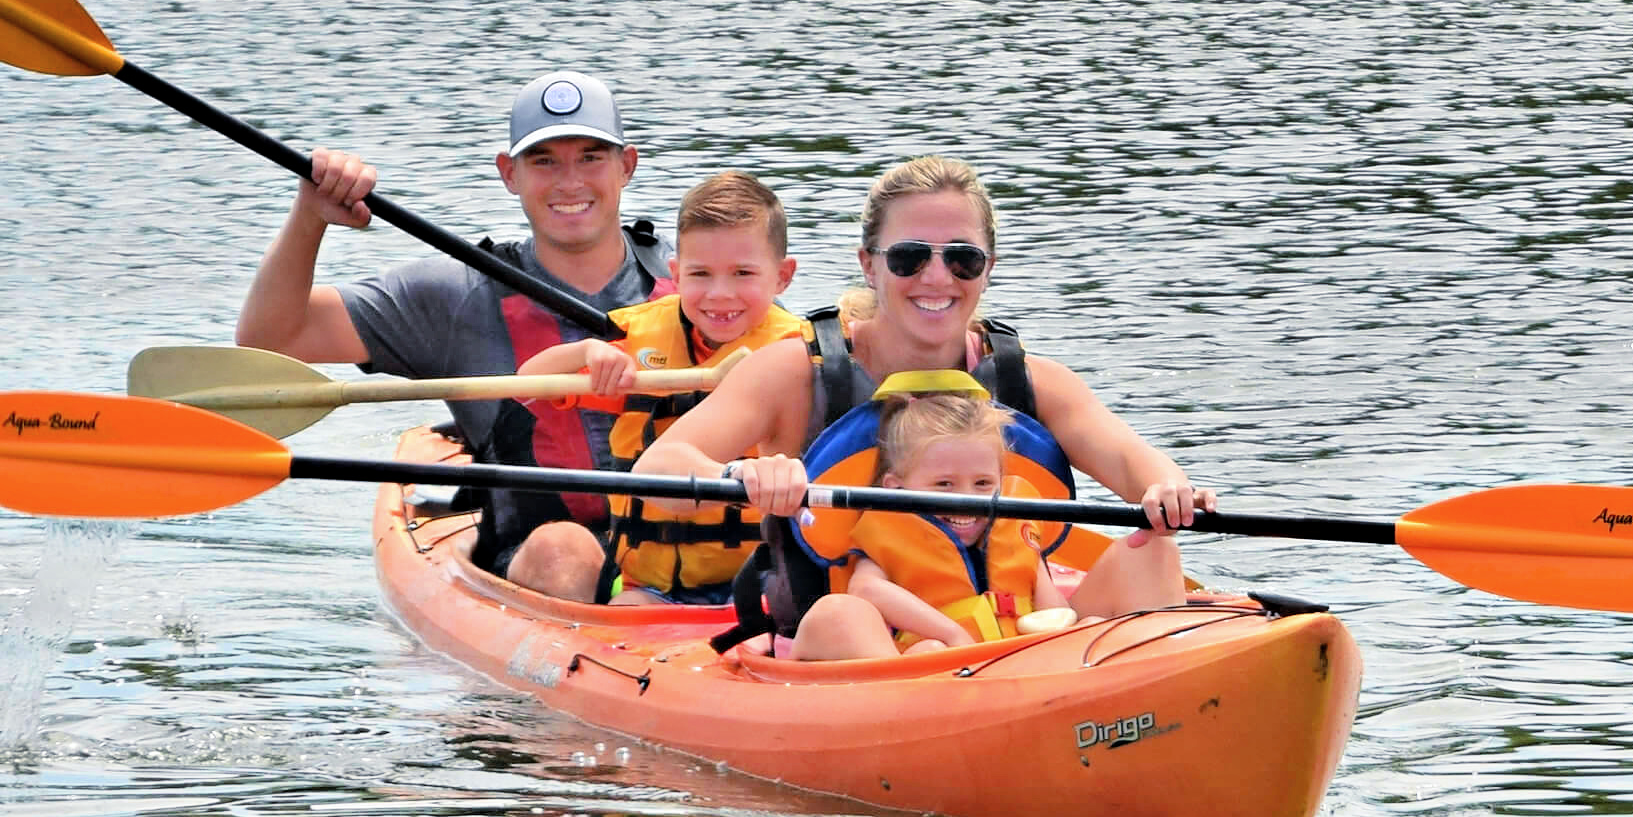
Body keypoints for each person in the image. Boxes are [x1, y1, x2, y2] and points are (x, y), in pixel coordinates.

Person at [631, 154, 1217, 661]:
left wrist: (1168, 491)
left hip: (1007, 640)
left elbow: (1134, 460)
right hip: (852, 645)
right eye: (909, 257)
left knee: (1153, 552)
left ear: (988, 267)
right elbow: (657, 469)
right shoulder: (793, 372)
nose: (936, 277)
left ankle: (1127, 708)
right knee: (843, 615)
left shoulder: (1029, 380)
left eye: (962, 258)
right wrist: (741, 473)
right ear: (869, 263)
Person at [235, 70, 670, 602]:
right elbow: (271, 339)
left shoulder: (707, 287)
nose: (570, 182)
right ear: (509, 173)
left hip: (689, 555)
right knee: (565, 549)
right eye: (544, 161)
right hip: (536, 564)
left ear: (626, 166)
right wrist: (311, 216)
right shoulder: (456, 296)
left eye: (590, 157)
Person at [517, 171, 804, 605]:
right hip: (647, 589)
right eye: (700, 274)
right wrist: (585, 353)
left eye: (743, 273)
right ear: (676, 273)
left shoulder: (800, 354)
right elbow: (527, 387)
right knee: (596, 582)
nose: (719, 295)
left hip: (763, 585)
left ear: (782, 277)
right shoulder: (637, 339)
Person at [836, 391, 1078, 654]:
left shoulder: (1017, 530)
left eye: (983, 483)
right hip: (938, 662)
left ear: (1001, 481)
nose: (966, 500)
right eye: (944, 484)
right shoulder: (888, 536)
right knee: (926, 648)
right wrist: (953, 634)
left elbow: (1055, 613)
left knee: (1092, 625)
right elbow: (865, 589)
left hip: (1015, 660)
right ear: (897, 488)